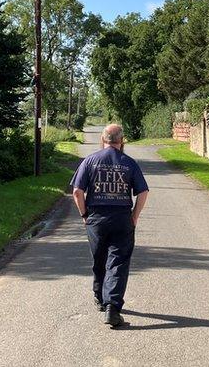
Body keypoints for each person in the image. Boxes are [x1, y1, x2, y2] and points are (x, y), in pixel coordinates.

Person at [71, 124, 150, 328]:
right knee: (118, 262)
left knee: (99, 258)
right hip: (122, 218)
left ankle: (99, 297)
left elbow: (77, 191)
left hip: (96, 218)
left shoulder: (90, 161)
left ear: (102, 139)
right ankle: (112, 308)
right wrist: (134, 217)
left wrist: (84, 215)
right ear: (121, 140)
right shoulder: (129, 163)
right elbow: (143, 192)